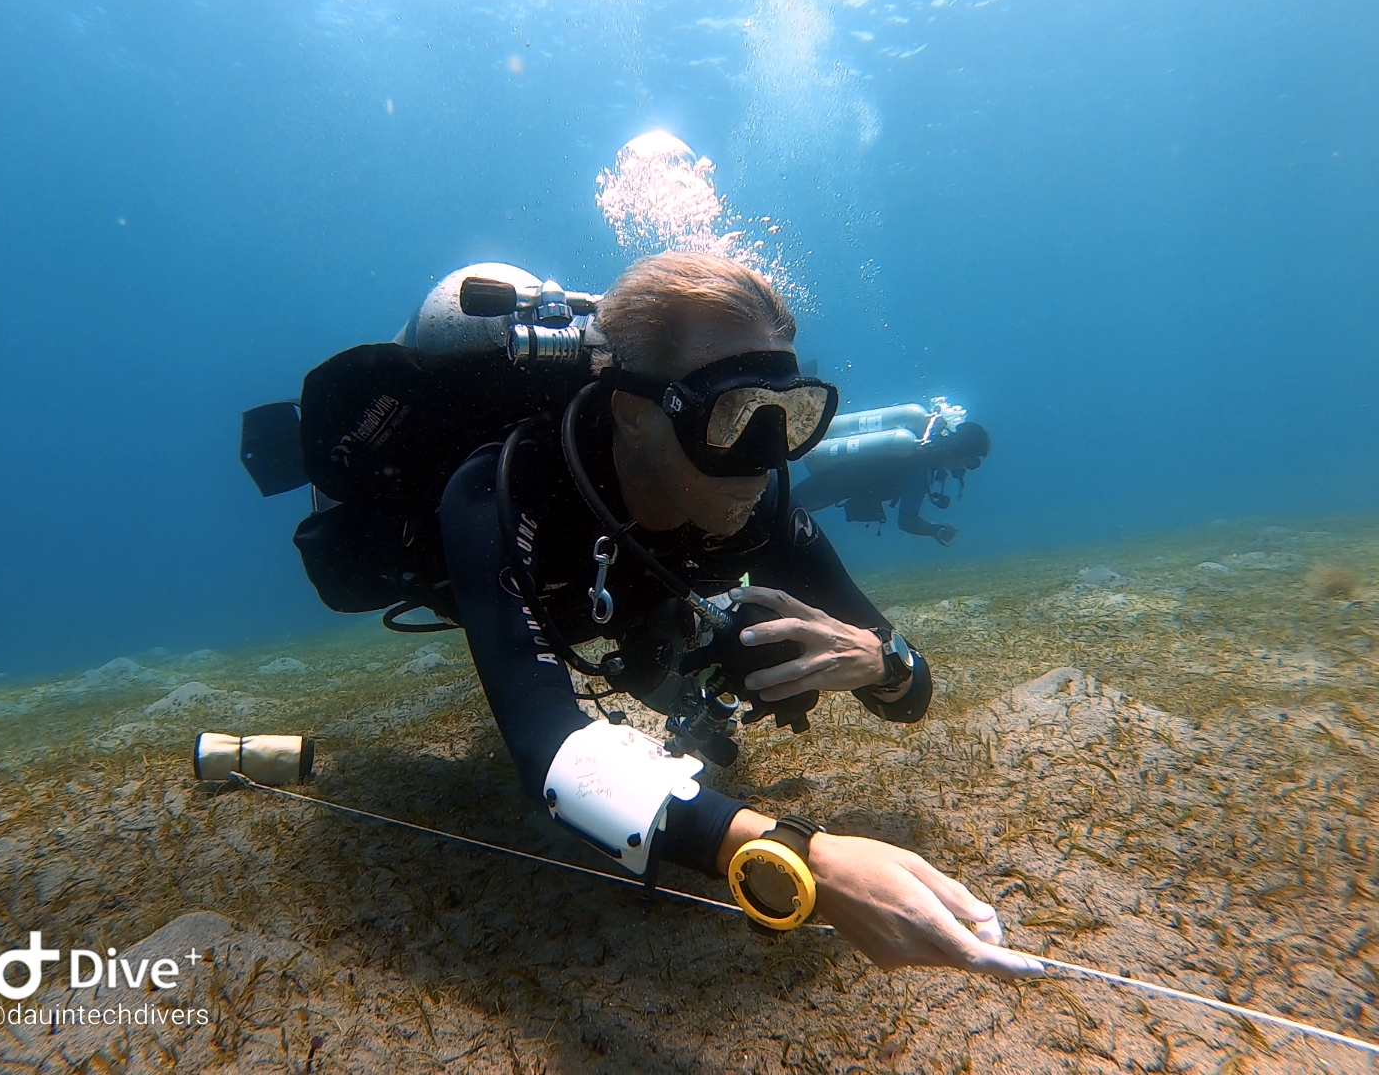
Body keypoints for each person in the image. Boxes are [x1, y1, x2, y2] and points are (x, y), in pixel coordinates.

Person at [432, 252, 1041, 979]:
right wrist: (795, 851)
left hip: (632, 602)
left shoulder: (762, 506)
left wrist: (883, 662)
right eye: (734, 415)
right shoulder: (503, 489)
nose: (764, 461)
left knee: (676, 643)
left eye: (790, 416)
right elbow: (549, 755)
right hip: (479, 580)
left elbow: (913, 693)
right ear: (633, 415)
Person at [792, 415, 990, 545]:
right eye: (971, 462)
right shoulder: (919, 467)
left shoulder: (919, 444)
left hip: (839, 476)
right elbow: (906, 521)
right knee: (784, 508)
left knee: (783, 505)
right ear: (960, 452)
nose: (965, 468)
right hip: (836, 484)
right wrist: (935, 530)